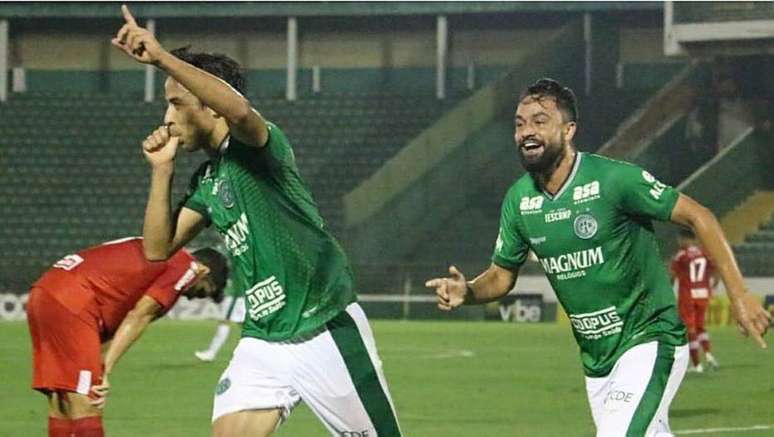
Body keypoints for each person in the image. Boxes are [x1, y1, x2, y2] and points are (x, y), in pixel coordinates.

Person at [111, 6, 401, 436]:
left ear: (209, 107)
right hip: (264, 341)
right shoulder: (208, 180)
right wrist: (161, 171)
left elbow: (242, 113)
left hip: (324, 327)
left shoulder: (258, 146)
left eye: (175, 104)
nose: (166, 118)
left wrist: (162, 59)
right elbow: (157, 249)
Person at [426, 78, 771, 437]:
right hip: (597, 360)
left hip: (650, 340)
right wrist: (467, 290)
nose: (527, 131)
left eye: (540, 121)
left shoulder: (613, 179)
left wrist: (740, 294)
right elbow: (501, 276)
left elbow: (699, 216)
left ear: (569, 129)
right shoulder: (519, 201)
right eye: (519, 123)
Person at [27, 237, 228, 437]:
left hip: (45, 292)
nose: (193, 297)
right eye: (203, 292)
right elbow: (140, 315)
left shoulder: (158, 250)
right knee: (88, 399)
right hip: (74, 301)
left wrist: (100, 364)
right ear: (204, 271)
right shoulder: (187, 265)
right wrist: (105, 369)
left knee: (60, 398)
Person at [671, 228, 720, 373]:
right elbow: (716, 269)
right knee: (700, 327)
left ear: (686, 239)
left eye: (680, 239)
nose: (679, 242)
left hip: (688, 295)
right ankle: (709, 356)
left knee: (690, 329)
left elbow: (672, 275)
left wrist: (669, 288)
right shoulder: (704, 253)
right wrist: (714, 285)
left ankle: (697, 365)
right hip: (703, 294)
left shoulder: (681, 255)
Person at [195, 279, 245, 362]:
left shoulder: (238, 266)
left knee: (224, 322)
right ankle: (267, 345)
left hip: (235, 293)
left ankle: (211, 353)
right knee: (243, 323)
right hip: (238, 293)